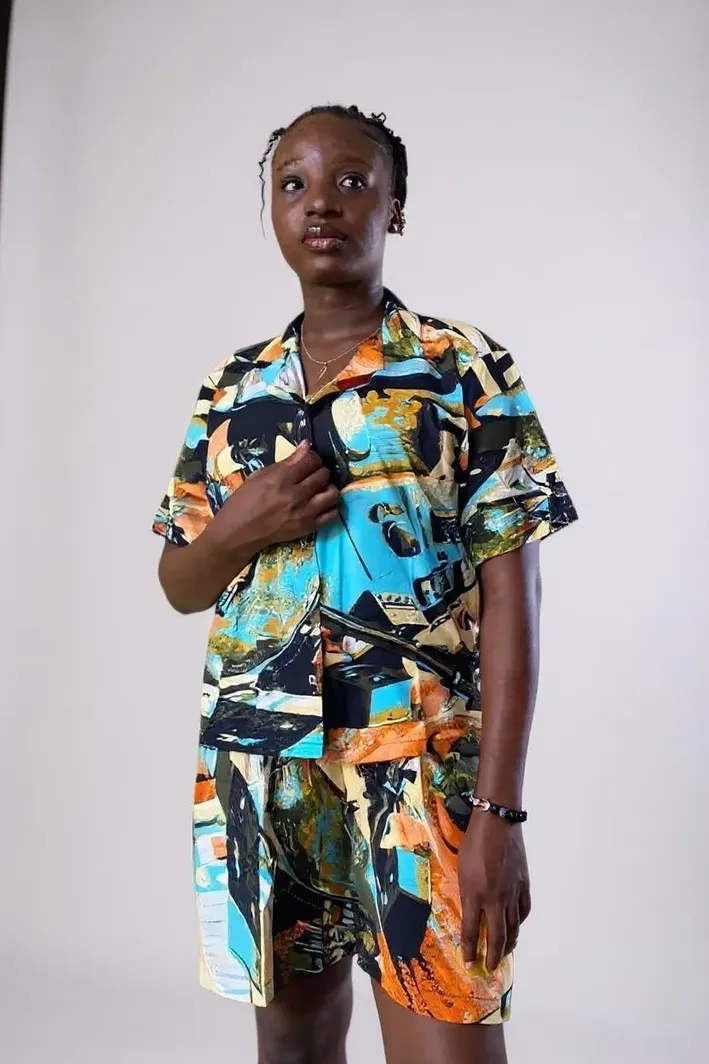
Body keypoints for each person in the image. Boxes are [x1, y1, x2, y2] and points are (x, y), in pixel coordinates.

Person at [152, 104, 577, 1064]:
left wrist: (498, 814)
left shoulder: (463, 369)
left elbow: (514, 602)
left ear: (395, 207)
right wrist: (238, 526)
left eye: (351, 181)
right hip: (259, 768)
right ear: (272, 209)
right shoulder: (231, 389)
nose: (320, 203)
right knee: (292, 1047)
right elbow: (180, 583)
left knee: (450, 1042)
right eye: (293, 183)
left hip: (419, 771)